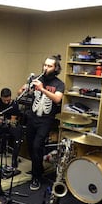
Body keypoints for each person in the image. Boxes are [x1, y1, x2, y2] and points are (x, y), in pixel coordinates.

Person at [18, 54, 65, 191]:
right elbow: (19, 92)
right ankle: (37, 169)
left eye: (49, 66)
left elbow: (57, 99)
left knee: (37, 146)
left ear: (56, 68)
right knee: (31, 146)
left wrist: (42, 89)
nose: (46, 68)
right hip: (32, 118)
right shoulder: (37, 78)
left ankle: (36, 177)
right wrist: (25, 88)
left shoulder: (59, 84)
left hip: (45, 120)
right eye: (45, 65)